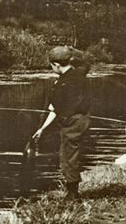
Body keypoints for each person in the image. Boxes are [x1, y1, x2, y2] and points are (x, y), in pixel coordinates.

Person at [33, 46, 91, 201]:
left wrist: (42, 128)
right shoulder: (80, 73)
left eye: (52, 65)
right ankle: (72, 190)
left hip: (72, 123)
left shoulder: (61, 85)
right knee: (71, 154)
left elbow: (54, 109)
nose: (52, 68)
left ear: (56, 65)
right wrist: (71, 52)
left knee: (67, 156)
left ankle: (73, 194)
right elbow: (85, 63)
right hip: (83, 120)